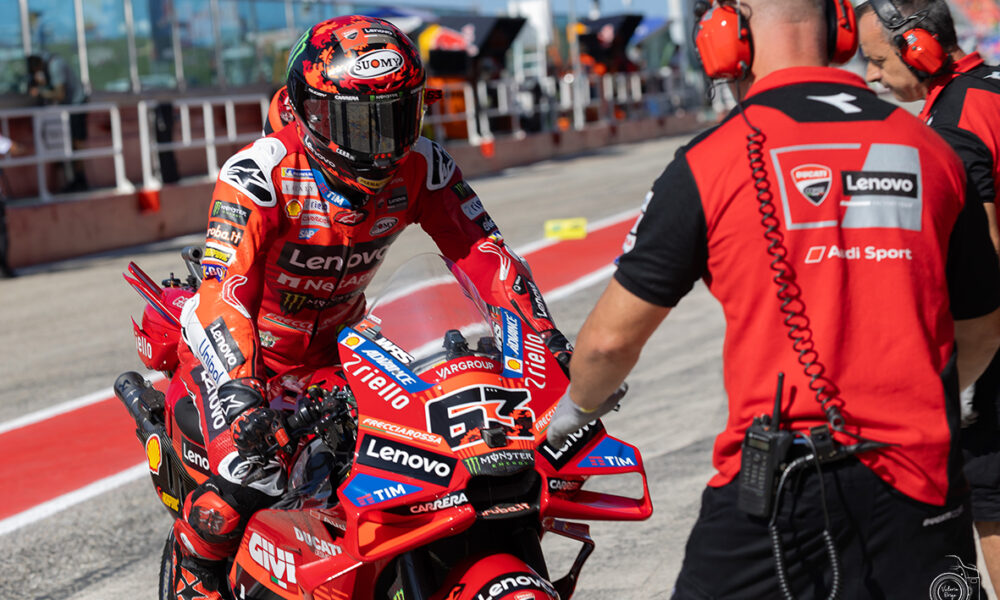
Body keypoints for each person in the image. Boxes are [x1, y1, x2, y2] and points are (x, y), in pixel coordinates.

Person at [545, 0, 1000, 596]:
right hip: (924, 481)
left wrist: (571, 413)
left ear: (726, 33)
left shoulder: (711, 158)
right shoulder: (932, 148)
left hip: (781, 488)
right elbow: (982, 328)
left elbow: (609, 342)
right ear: (841, 30)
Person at [169, 16, 571, 600]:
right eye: (361, 122)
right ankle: (194, 577)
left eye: (397, 117)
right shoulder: (260, 172)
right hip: (246, 362)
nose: (382, 144)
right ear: (311, 112)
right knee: (248, 478)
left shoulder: (424, 164)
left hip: (339, 356)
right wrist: (241, 392)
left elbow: (484, 256)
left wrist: (544, 341)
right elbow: (222, 291)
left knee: (427, 465)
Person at [857, 0, 1000, 594]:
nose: (871, 76)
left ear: (920, 49)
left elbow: (986, 259)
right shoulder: (992, 87)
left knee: (992, 494)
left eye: (877, 61)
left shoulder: (954, 124)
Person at [27, 53, 89, 192]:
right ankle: (72, 180)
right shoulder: (49, 66)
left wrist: (39, 92)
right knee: (66, 145)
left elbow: (59, 94)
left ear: (37, 66)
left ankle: (80, 180)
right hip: (67, 109)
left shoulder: (55, 65)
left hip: (76, 106)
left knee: (75, 144)